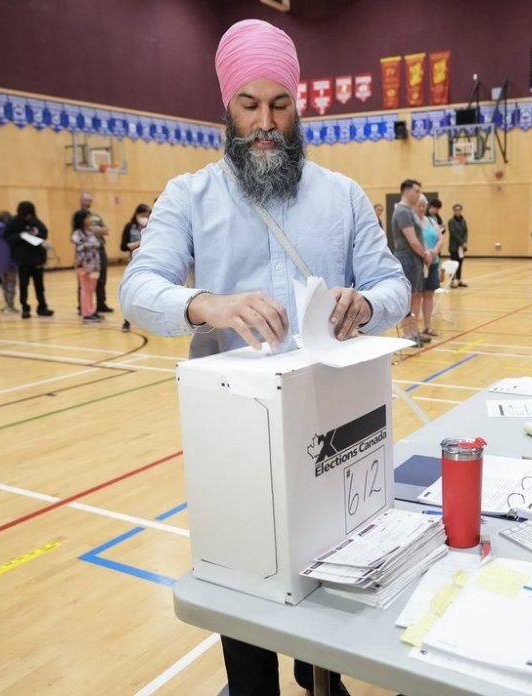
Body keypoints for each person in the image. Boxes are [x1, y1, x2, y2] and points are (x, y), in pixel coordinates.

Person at [119, 19, 409, 696]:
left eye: (280, 105)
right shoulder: (188, 196)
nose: (265, 122)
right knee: (243, 583)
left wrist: (362, 307)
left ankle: (324, 679)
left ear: (299, 107)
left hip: (328, 417)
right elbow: (138, 289)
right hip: (235, 429)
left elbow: (392, 284)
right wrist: (207, 304)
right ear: (226, 108)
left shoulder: (340, 196)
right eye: (249, 105)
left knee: (329, 564)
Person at [390, 179, 431, 346]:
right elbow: (412, 241)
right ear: (406, 192)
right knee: (408, 297)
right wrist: (425, 254)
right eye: (416, 191)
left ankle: (414, 332)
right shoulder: (403, 212)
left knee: (415, 296)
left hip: (414, 260)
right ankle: (408, 334)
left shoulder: (409, 211)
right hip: (407, 259)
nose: (419, 194)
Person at [5, 201, 54, 319]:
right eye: (26, 214)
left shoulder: (35, 221)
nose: (28, 217)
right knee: (23, 285)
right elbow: (7, 237)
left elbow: (44, 233)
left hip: (36, 257)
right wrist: (20, 235)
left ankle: (42, 307)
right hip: (22, 258)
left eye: (30, 214)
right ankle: (25, 308)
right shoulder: (13, 222)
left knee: (39, 285)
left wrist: (37, 233)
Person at [73, 192, 112, 313]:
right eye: (85, 200)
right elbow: (78, 235)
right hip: (86, 257)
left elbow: (105, 230)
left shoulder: (96, 216)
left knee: (100, 278)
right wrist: (95, 231)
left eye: (90, 200)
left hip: (98, 252)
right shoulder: (78, 216)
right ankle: (84, 308)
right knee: (85, 284)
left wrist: (95, 230)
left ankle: (99, 304)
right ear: (81, 201)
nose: (88, 202)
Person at [119, 203, 150, 332]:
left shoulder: (152, 226)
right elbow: (123, 246)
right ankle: (126, 321)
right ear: (137, 214)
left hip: (149, 263)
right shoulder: (129, 227)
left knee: (148, 292)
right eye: (143, 215)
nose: (145, 217)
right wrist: (139, 244)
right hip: (134, 265)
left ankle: (149, 321)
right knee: (131, 293)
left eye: (147, 215)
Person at [416, 194, 444, 336]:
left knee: (429, 295)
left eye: (423, 205)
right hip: (419, 264)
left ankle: (427, 326)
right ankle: (413, 330)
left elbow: (440, 239)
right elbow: (415, 241)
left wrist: (434, 252)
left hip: (433, 263)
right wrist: (425, 253)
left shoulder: (432, 221)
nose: (421, 208)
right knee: (417, 295)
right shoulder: (413, 221)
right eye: (418, 205)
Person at [72, 210, 103, 324]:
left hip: (94, 264)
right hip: (85, 265)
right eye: (87, 218)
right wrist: (85, 266)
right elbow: (80, 250)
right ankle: (86, 313)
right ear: (82, 220)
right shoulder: (77, 234)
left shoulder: (90, 231)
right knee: (85, 289)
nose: (90, 220)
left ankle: (92, 311)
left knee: (91, 289)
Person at [447, 203, 469, 287]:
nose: (458, 211)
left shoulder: (463, 221)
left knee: (460, 264)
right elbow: (453, 233)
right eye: (456, 210)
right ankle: (453, 281)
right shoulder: (451, 221)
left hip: (462, 248)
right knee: (454, 264)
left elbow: (466, 232)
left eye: (459, 210)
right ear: (454, 211)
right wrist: (462, 242)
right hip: (454, 247)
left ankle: (459, 280)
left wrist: (465, 242)